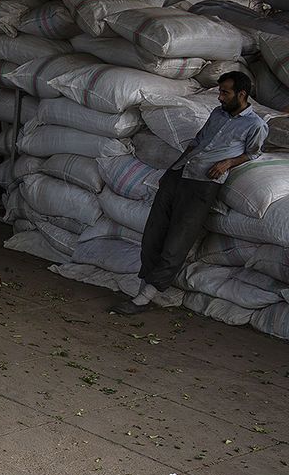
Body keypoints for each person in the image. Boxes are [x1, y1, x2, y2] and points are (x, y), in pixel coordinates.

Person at [114, 71, 268, 315]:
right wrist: (174, 169)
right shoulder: (218, 114)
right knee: (154, 230)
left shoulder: (255, 125)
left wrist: (227, 163)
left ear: (242, 94)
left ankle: (146, 296)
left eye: (224, 92)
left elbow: (253, 153)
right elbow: (197, 142)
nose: (219, 97)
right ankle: (144, 283)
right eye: (219, 92)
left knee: (178, 238)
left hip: (203, 183)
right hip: (179, 173)